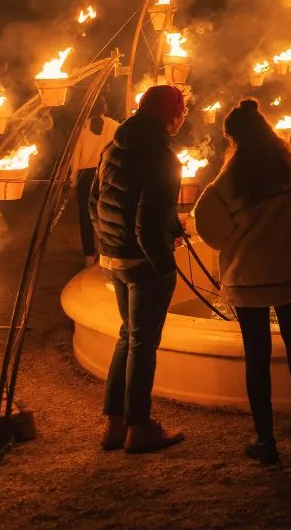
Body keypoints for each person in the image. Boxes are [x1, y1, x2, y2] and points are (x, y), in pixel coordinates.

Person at [193, 99, 291, 466]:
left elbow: (207, 222)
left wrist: (236, 235)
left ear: (234, 138)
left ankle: (265, 440)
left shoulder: (230, 179)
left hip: (249, 277)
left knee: (257, 358)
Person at [90, 84, 187, 454]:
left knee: (128, 336)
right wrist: (162, 265)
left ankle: (114, 425)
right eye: (181, 110)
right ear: (169, 115)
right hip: (142, 260)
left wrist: (108, 245)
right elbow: (146, 221)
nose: (183, 117)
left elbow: (95, 201)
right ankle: (140, 427)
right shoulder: (162, 157)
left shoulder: (115, 146)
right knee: (143, 343)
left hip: (113, 255)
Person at [71, 95, 120, 268]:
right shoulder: (115, 125)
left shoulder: (81, 127)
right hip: (107, 173)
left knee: (86, 216)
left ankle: (89, 256)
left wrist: (73, 179)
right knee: (107, 213)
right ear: (104, 107)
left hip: (86, 175)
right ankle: (105, 251)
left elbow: (75, 155)